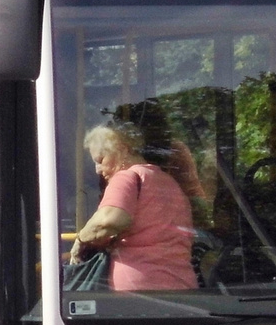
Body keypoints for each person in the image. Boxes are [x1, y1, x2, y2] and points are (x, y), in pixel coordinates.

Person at [70, 123, 198, 291]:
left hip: (140, 293)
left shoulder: (126, 177)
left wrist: (80, 241)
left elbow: (108, 221)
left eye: (100, 160)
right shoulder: (169, 183)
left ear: (122, 149)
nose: (97, 170)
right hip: (183, 286)